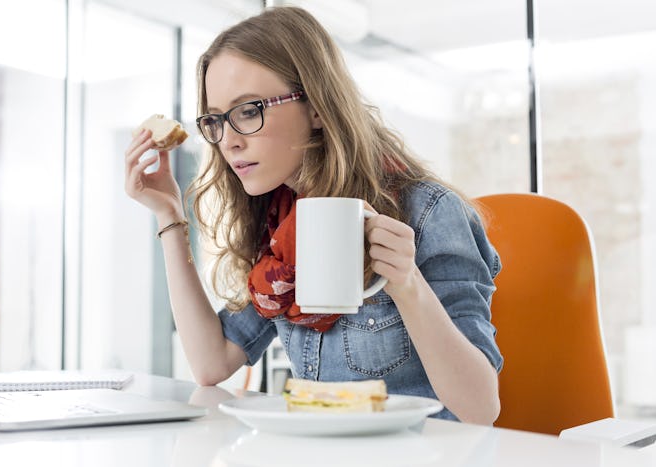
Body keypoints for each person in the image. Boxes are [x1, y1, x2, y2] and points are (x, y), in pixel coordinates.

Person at [124, 6, 502, 424]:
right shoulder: (280, 225)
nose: (227, 141)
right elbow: (213, 362)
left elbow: (480, 408)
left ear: (317, 107)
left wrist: (407, 286)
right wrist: (169, 216)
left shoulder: (428, 212)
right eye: (216, 120)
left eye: (248, 111)